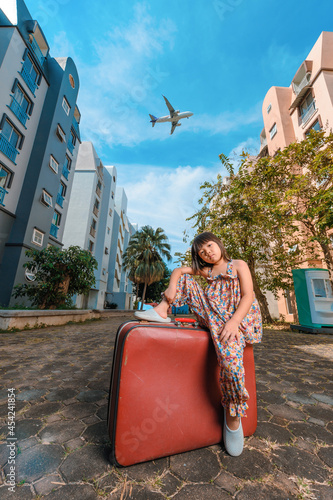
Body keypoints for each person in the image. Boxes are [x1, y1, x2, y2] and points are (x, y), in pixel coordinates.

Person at [134, 231, 262, 457]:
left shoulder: (238, 265)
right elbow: (179, 271)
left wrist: (232, 322)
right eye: (202, 252)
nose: (208, 252)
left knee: (232, 367)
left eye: (210, 246)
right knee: (184, 279)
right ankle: (162, 311)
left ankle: (233, 416)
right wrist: (172, 288)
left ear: (219, 243)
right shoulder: (207, 271)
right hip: (212, 315)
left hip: (234, 322)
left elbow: (248, 296)